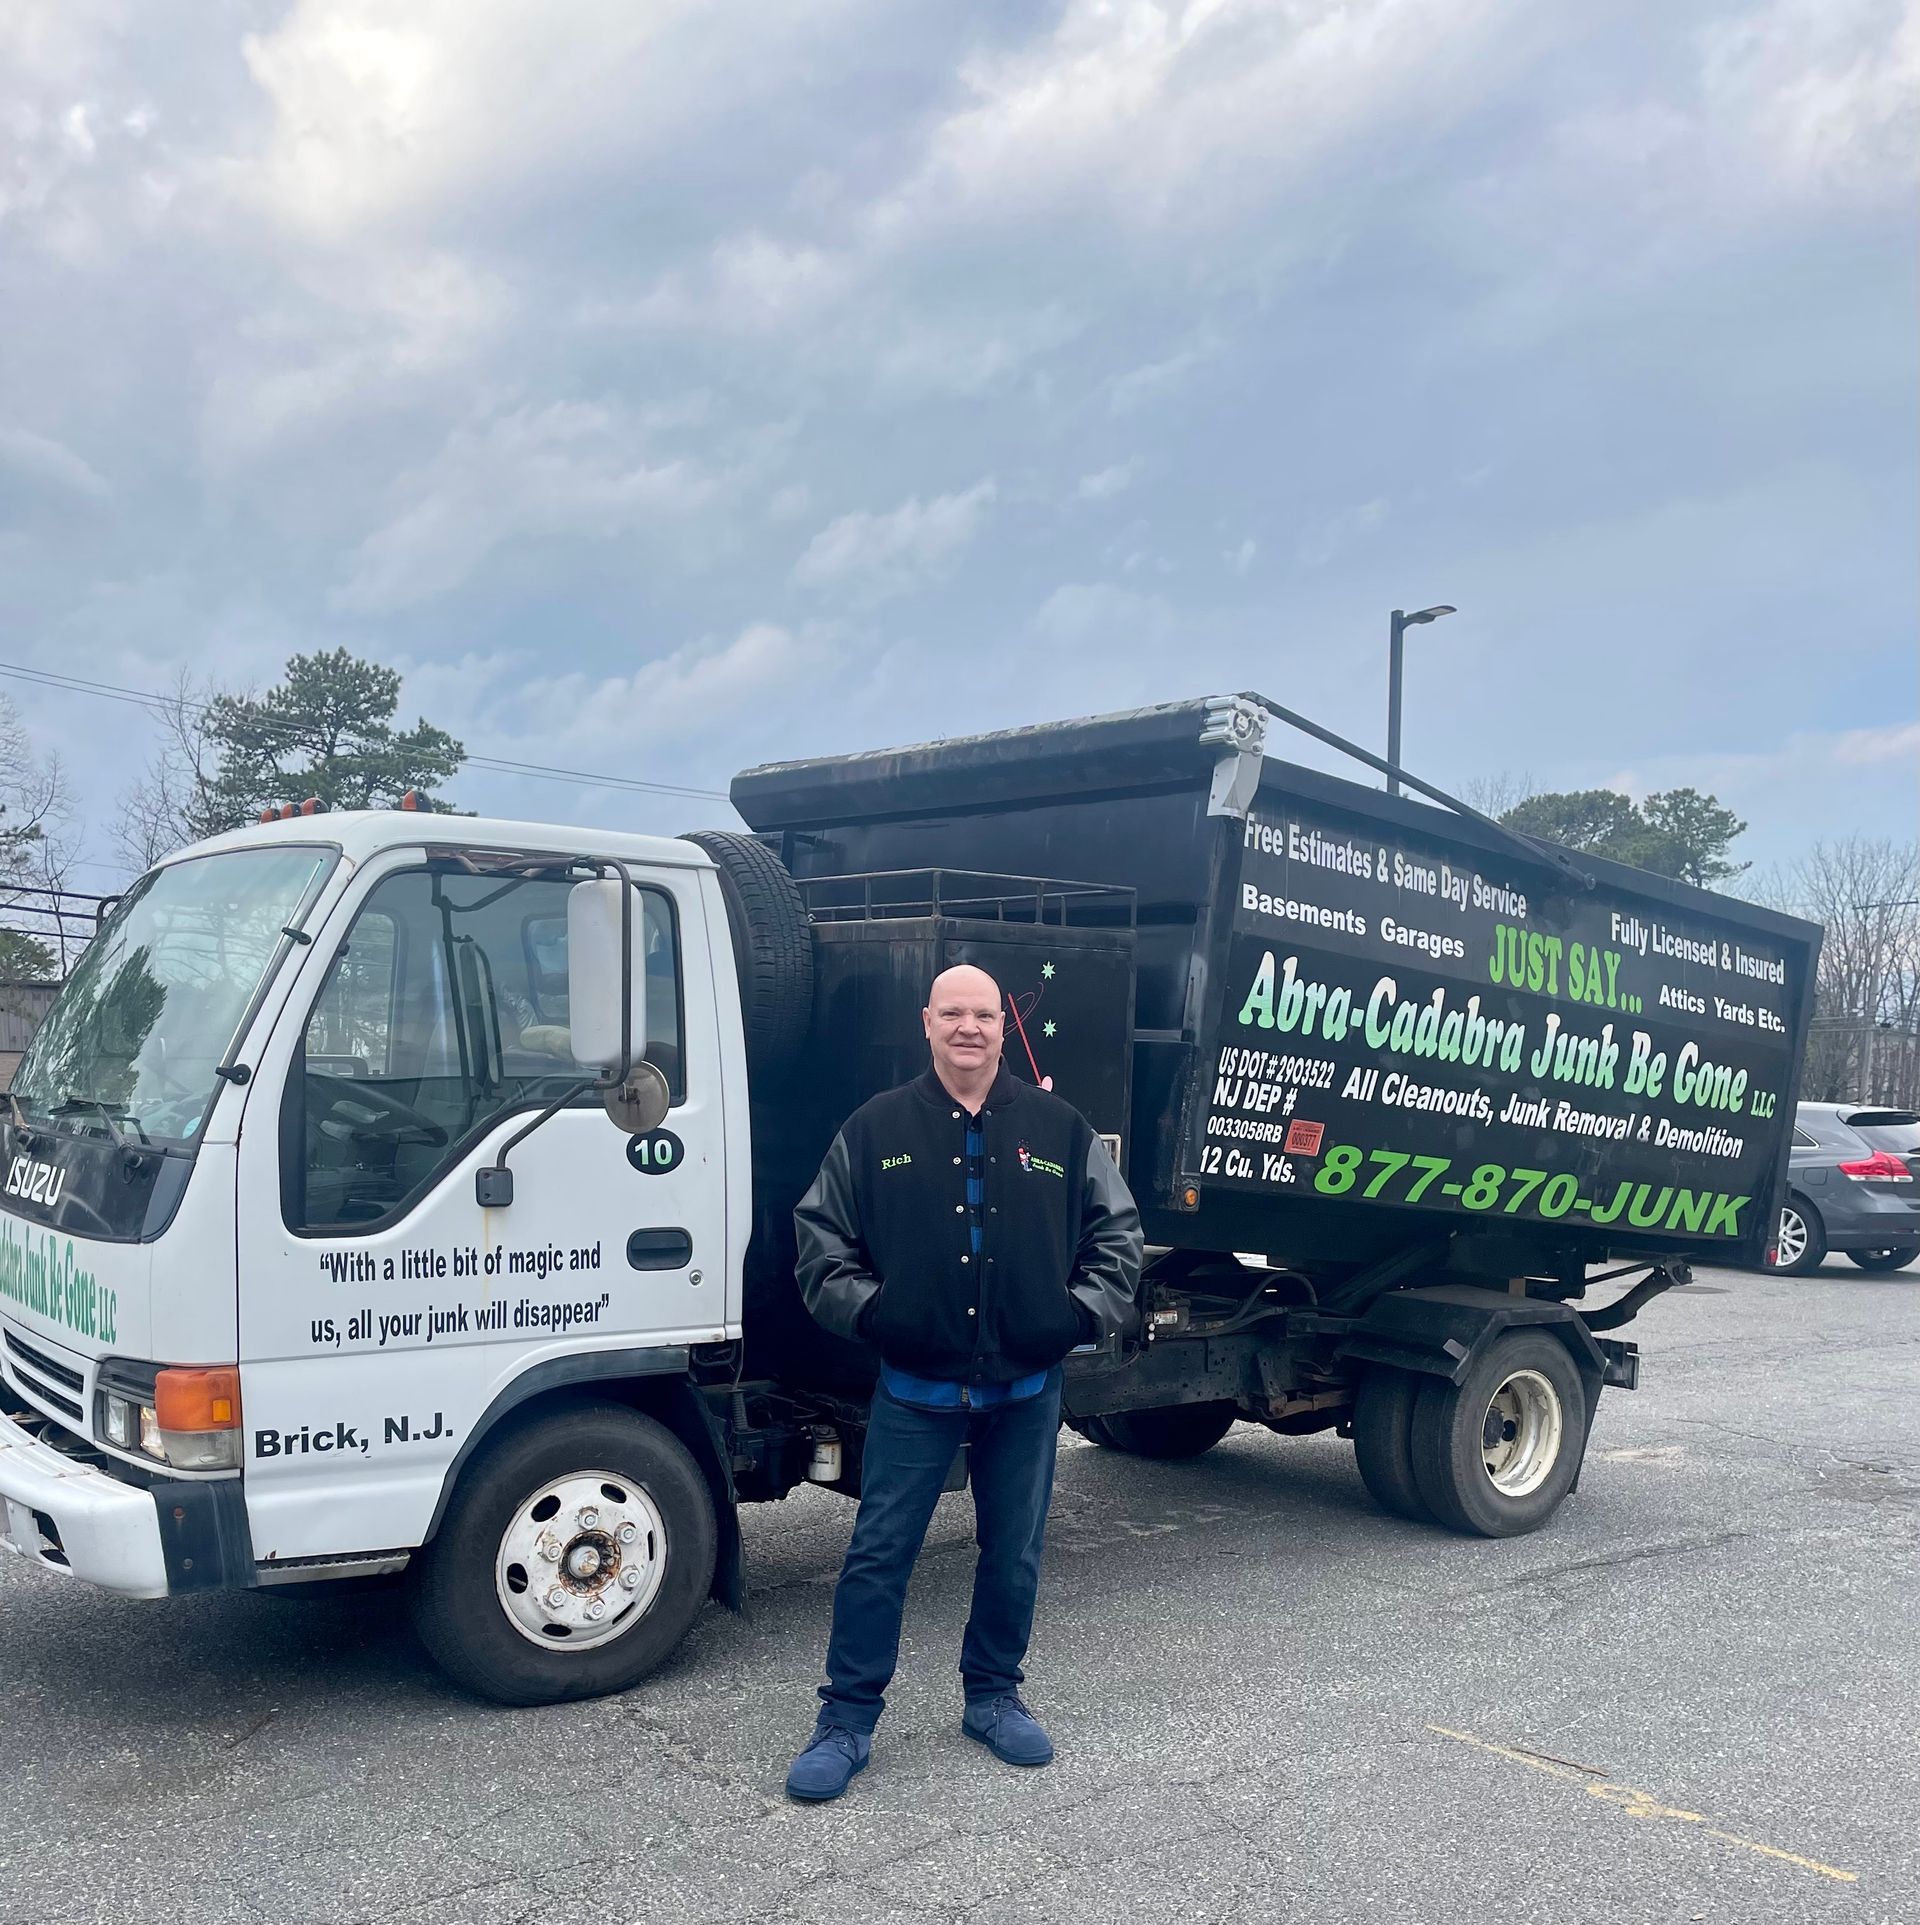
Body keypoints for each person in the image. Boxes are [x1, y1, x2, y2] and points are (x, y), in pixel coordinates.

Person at [784, 963, 1143, 1802]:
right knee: (879, 1554)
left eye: (984, 1013)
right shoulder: (876, 1128)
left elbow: (1119, 1236)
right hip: (916, 1389)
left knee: (1012, 1549)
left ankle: (992, 1696)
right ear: (928, 1022)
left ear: (1000, 1025)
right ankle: (846, 1718)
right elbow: (818, 1244)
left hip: (1027, 1391)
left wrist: (1078, 1316)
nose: (969, 1027)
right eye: (954, 1012)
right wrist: (876, 1315)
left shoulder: (1058, 1127)